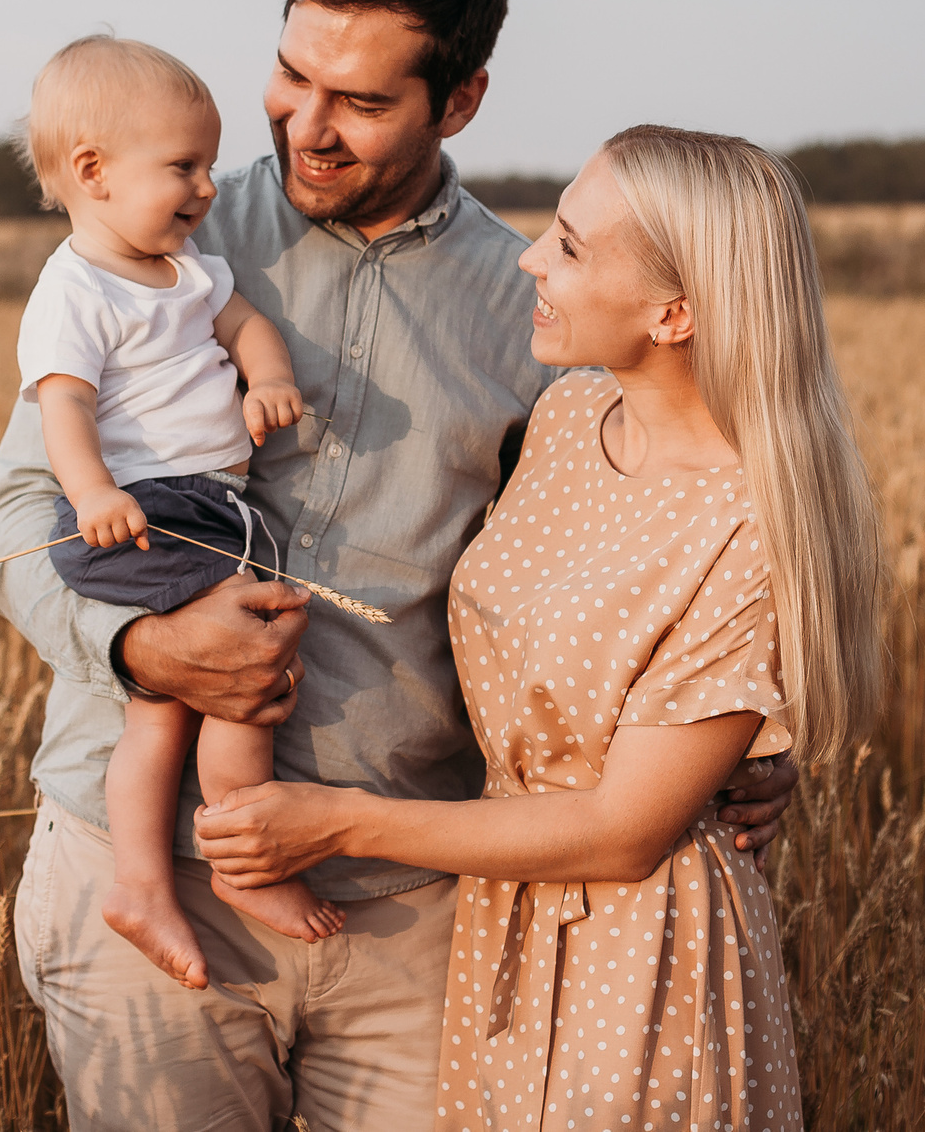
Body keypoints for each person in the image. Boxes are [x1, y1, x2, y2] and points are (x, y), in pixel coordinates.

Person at [0, 0, 800, 1132]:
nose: (307, 126)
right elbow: (17, 517)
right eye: (291, 76)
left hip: (412, 910)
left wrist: (718, 748)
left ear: (458, 100)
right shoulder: (158, 245)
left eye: (359, 102)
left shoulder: (532, 308)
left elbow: (620, 565)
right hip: (145, 873)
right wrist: (139, 646)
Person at [195, 126, 886, 1132]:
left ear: (675, 309)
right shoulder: (566, 419)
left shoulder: (750, 521)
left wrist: (334, 819)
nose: (528, 258)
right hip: (498, 919)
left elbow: (622, 831)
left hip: (645, 955)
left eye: (569, 244)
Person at [11, 35, 343, 986]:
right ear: (94, 173)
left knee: (163, 715)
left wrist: (267, 380)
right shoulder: (75, 289)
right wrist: (94, 493)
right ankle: (230, 865)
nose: (205, 186)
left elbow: (243, 326)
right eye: (182, 166)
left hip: (215, 508)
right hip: (144, 514)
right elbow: (64, 405)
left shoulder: (186, 264)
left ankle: (144, 883)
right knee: (247, 676)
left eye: (206, 162)